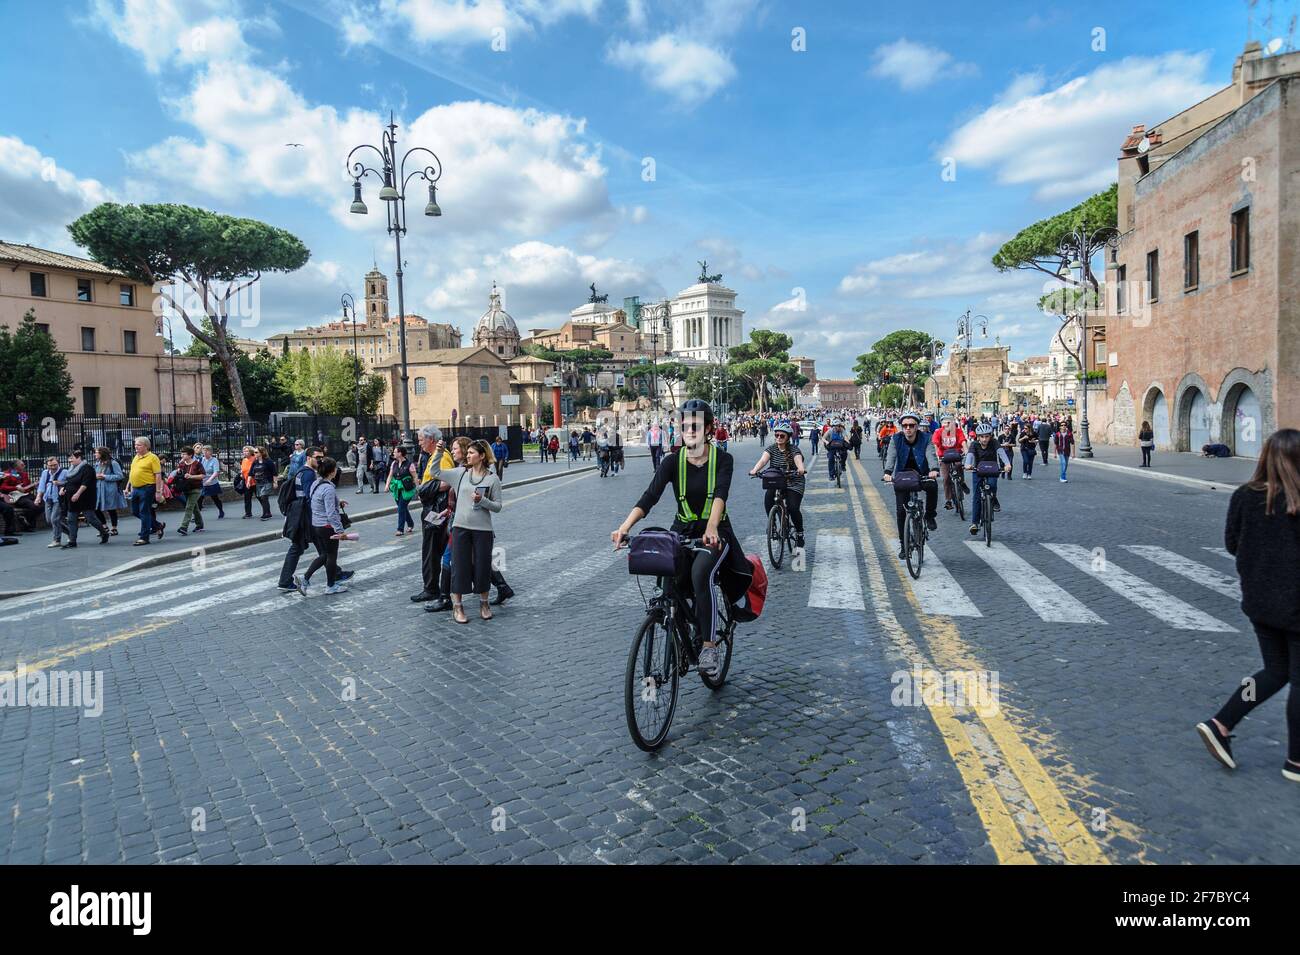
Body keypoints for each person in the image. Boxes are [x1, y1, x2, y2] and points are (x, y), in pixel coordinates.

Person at [613, 400, 750, 678]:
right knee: (669, 577)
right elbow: (650, 496)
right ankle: (682, 620)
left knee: (701, 574)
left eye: (696, 425)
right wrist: (625, 526)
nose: (689, 430)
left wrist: (711, 527)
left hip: (715, 533)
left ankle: (709, 645)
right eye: (685, 425)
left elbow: (720, 495)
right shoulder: (672, 461)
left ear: (709, 428)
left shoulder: (723, 459)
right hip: (683, 531)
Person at [1197, 429, 1300, 784]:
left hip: (1260, 602)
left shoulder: (1244, 495)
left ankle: (1221, 723)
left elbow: (1231, 544)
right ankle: (1296, 762)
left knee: (1275, 671)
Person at [425, 438, 504, 624]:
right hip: (460, 528)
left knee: (483, 567)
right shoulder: (460, 473)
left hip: (482, 529)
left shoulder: (493, 479)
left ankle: (484, 604)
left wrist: (482, 501)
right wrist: (438, 451)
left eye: (471, 453)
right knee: (459, 567)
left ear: (482, 455)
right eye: (467, 452)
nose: (467, 455)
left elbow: (498, 506)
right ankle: (457, 607)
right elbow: (434, 472)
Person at [882, 411, 940, 560]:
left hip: (922, 475)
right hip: (902, 477)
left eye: (911, 425)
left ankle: (930, 516)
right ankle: (904, 545)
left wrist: (934, 469)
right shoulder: (896, 439)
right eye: (905, 425)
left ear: (917, 427)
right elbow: (891, 456)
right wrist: (888, 472)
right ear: (901, 427)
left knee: (933, 486)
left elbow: (931, 454)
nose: (908, 428)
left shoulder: (926, 438)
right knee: (901, 513)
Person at [412, 426, 455, 610]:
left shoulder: (443, 456)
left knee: (431, 549)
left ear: (431, 440)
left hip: (436, 510)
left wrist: (426, 488)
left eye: (421, 439)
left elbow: (447, 482)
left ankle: (431, 588)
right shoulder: (433, 456)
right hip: (434, 509)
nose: (419, 442)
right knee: (436, 549)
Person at [748, 421, 807, 549]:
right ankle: (773, 525)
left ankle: (800, 533)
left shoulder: (793, 449)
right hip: (777, 481)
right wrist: (755, 470)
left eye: (782, 436)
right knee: (768, 498)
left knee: (792, 508)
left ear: (788, 438)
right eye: (777, 435)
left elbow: (798, 458)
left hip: (794, 481)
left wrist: (800, 468)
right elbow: (763, 460)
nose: (778, 438)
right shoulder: (772, 448)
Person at [295, 457, 348, 595]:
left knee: (325, 555)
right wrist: (340, 531)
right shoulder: (328, 488)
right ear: (332, 471)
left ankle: (305, 579)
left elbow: (318, 502)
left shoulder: (316, 483)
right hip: (327, 526)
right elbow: (331, 513)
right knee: (331, 556)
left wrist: (338, 502)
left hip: (317, 524)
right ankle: (330, 586)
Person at [964, 423, 1011, 535]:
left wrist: (1007, 464)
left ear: (990, 436)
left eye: (986, 436)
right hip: (978, 471)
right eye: (982, 436)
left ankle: (993, 498)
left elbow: (1002, 453)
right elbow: (970, 456)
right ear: (978, 437)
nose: (984, 439)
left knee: (992, 485)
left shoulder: (994, 443)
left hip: (992, 469)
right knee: (976, 496)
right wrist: (967, 465)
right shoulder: (974, 445)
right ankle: (975, 523)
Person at [61, 450, 109, 547]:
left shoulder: (88, 469)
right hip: (72, 498)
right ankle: (72, 541)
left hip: (85, 498)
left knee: (90, 518)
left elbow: (85, 483)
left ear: (79, 458)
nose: (70, 460)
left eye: (72, 458)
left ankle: (104, 533)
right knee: (71, 519)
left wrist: (78, 493)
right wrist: (64, 488)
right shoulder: (71, 469)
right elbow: (69, 481)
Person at [126, 437, 164, 546]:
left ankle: (144, 537)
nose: (135, 447)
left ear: (146, 446)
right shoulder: (136, 457)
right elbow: (132, 473)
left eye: (138, 445)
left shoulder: (152, 458)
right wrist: (130, 487)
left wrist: (158, 491)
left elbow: (158, 475)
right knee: (135, 511)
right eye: (135, 444)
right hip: (136, 488)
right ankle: (157, 526)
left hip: (147, 488)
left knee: (144, 511)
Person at [932, 415, 968, 510]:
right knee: (946, 478)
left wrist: (967, 451)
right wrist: (937, 455)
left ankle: (961, 482)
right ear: (942, 424)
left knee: (959, 465)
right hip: (944, 456)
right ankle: (948, 500)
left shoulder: (958, 431)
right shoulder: (938, 432)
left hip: (956, 454)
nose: (947, 424)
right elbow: (935, 444)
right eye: (945, 422)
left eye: (949, 422)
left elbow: (963, 442)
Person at [93, 446, 128, 535]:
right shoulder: (97, 463)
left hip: (110, 489)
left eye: (96, 452)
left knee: (111, 509)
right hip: (99, 489)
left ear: (102, 453)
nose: (95, 454)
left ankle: (114, 528)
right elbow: (95, 474)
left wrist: (105, 477)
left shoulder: (113, 463)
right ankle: (104, 527)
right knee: (96, 508)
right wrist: (95, 476)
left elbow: (119, 476)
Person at [34, 457, 68, 548]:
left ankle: (57, 540)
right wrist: (38, 497)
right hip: (48, 498)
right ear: (47, 465)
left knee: (54, 519)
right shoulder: (45, 473)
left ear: (59, 464)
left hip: (58, 499)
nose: (52, 467)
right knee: (50, 520)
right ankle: (70, 532)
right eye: (50, 465)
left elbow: (70, 483)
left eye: (54, 465)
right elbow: (41, 486)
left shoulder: (64, 472)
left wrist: (60, 483)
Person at [175, 446, 207, 535]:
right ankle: (200, 525)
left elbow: (203, 475)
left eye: (184, 454)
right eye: (181, 454)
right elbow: (179, 474)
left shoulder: (197, 464)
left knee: (189, 507)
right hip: (185, 488)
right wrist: (178, 471)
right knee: (194, 508)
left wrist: (191, 476)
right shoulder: (182, 464)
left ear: (190, 455)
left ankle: (183, 527)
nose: (182, 455)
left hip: (196, 488)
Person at [251, 445, 277, 520]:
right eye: (254, 452)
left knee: (264, 497)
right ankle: (268, 512)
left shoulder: (268, 461)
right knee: (260, 497)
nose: (254, 454)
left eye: (256, 452)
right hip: (258, 482)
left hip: (267, 482)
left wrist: (275, 482)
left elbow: (274, 472)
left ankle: (266, 514)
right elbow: (251, 472)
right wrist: (249, 481)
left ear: (261, 453)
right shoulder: (255, 462)